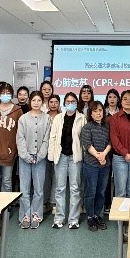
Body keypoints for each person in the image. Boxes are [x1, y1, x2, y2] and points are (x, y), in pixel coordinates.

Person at [48, 92, 86, 229]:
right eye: (68, 102)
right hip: (61, 156)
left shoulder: (82, 118)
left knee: (75, 188)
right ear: (64, 103)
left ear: (76, 103)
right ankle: (59, 218)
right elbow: (52, 137)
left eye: (73, 101)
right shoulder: (58, 118)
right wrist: (52, 156)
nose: (70, 104)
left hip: (75, 157)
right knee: (60, 188)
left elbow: (84, 139)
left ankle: (73, 220)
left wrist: (84, 156)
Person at [17, 91, 51, 229]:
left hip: (40, 159)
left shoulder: (47, 118)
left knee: (38, 189)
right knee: (24, 189)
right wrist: (26, 156)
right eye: (34, 100)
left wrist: (40, 155)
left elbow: (47, 139)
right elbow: (20, 139)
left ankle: (36, 214)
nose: (36, 103)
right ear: (30, 101)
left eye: (39, 100)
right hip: (24, 158)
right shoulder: (23, 118)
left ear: (42, 102)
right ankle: (25, 215)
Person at [0, 83, 23, 192]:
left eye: (8, 93)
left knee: (7, 181)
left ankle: (6, 204)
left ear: (12, 95)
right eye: (3, 93)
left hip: (9, 152)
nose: (5, 95)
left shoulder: (18, 111)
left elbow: (20, 132)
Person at [81, 101, 112, 232]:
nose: (98, 113)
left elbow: (110, 142)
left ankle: (98, 215)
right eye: (95, 111)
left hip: (105, 164)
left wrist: (103, 155)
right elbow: (87, 144)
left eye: (100, 110)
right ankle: (90, 216)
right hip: (91, 164)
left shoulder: (107, 126)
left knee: (101, 192)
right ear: (91, 113)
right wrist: (98, 156)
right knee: (91, 191)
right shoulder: (87, 127)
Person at [44, 93, 60, 214]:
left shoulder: (62, 116)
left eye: (56, 102)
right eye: (51, 102)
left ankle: (54, 202)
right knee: (45, 178)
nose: (53, 104)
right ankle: (45, 202)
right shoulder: (44, 116)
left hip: (58, 151)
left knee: (56, 178)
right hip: (44, 151)